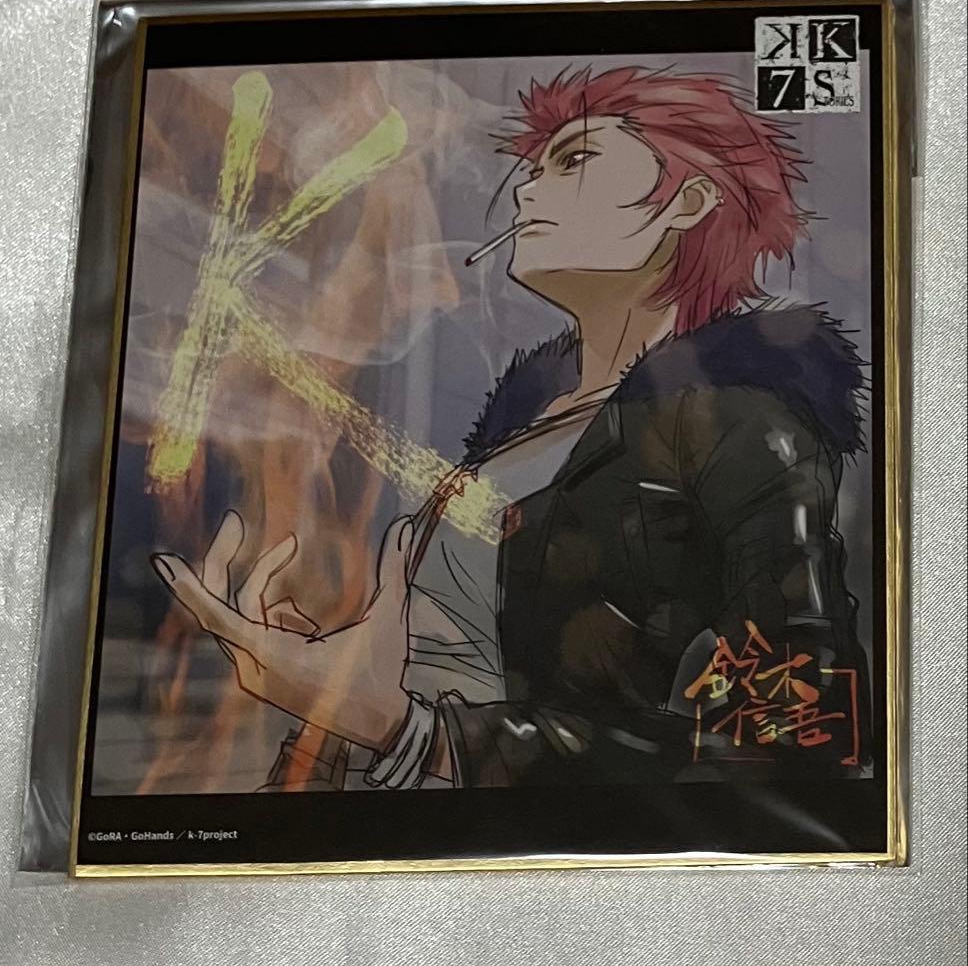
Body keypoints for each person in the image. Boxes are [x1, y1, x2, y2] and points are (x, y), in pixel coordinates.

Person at [151, 66, 870, 790]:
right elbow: (453, 661)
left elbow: (802, 744)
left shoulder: (740, 427)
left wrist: (415, 733)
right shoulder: (527, 425)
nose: (527, 189)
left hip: (537, 855)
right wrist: (331, 685)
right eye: (534, 167)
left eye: (575, 159)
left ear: (686, 200)